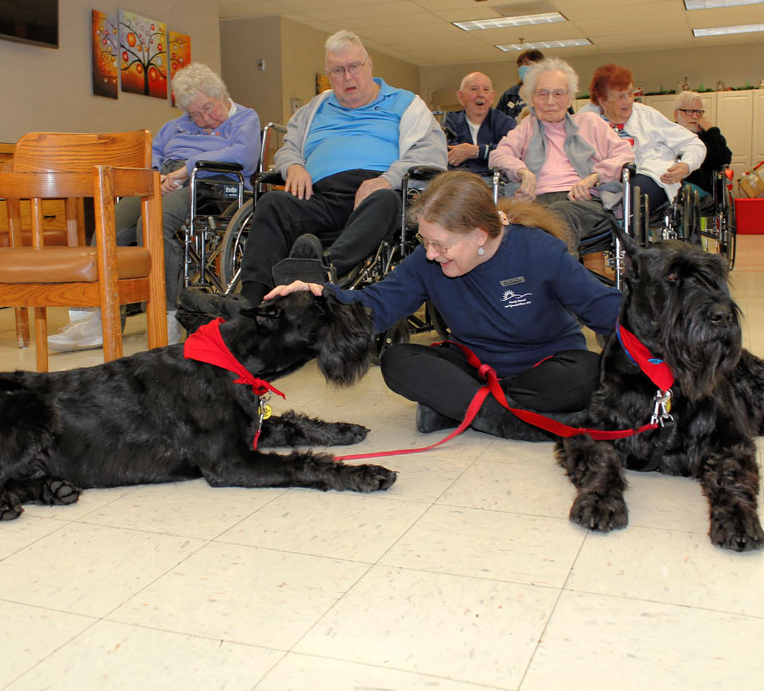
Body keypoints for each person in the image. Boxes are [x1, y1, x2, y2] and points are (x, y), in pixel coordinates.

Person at [266, 171, 622, 441]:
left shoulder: (539, 250)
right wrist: (321, 296)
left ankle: (460, 408)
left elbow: (604, 309)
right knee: (397, 360)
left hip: (546, 367)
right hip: (474, 368)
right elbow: (377, 303)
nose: (431, 254)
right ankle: (502, 419)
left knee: (590, 373)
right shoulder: (427, 261)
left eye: (441, 245)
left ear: (479, 234)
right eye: (425, 241)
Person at [49, 62, 261, 351]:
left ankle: (167, 315)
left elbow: (245, 156)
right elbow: (154, 155)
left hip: (213, 183)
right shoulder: (175, 126)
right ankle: (102, 319)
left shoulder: (245, 118)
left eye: (208, 108)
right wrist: (157, 175)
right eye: (194, 114)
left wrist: (187, 169)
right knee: (110, 226)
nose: (203, 120)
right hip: (166, 182)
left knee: (153, 222)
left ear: (221, 94)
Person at [233, 30, 446, 308]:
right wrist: (293, 166)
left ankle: (322, 270)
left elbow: (431, 155)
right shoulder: (314, 108)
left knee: (385, 201)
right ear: (328, 74)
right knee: (273, 202)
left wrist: (387, 179)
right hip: (320, 197)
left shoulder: (406, 104)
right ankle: (249, 300)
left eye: (354, 66)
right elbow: (288, 147)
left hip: (376, 194)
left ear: (369, 64)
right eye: (337, 70)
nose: (347, 76)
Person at [489, 58, 634, 247]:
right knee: (522, 220)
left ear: (569, 98)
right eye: (542, 93)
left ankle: (553, 265)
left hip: (584, 202)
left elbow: (624, 155)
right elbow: (498, 156)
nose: (550, 101)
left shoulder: (590, 123)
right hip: (536, 202)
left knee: (553, 217)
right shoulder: (526, 128)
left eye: (558, 93)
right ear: (531, 98)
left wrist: (594, 177)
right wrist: (522, 172)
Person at [581, 64, 705, 214]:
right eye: (620, 96)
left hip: (649, 175)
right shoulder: (586, 120)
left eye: (630, 94)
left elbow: (693, 143)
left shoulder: (647, 115)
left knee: (631, 198)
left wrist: (686, 165)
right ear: (603, 100)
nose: (628, 101)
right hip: (602, 179)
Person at [442, 72, 516, 177]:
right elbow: (448, 151)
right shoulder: (451, 120)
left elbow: (511, 150)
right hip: (459, 180)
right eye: (474, 89)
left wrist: (476, 151)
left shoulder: (505, 122)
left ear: (492, 97)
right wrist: (488, 151)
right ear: (460, 96)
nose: (481, 94)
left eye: (486, 89)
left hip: (496, 181)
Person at [673, 91, 732, 199]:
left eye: (699, 112)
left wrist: (709, 128)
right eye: (689, 111)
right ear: (676, 114)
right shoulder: (669, 135)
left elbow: (724, 159)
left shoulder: (708, 136)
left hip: (703, 191)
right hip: (676, 186)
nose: (695, 116)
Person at [495, 49, 545, 119]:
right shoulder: (510, 94)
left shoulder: (548, 92)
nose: (522, 67)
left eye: (527, 63)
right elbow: (497, 119)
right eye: (519, 65)